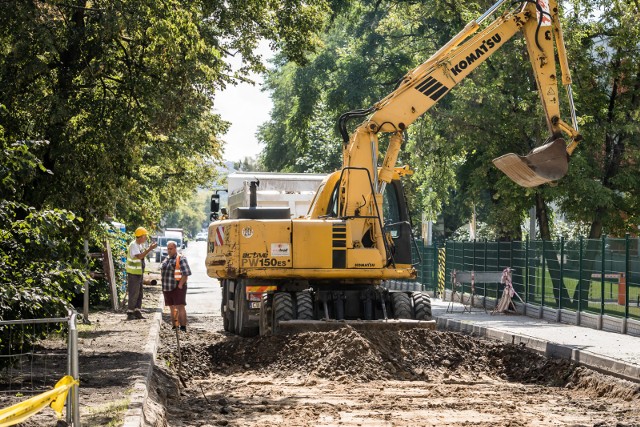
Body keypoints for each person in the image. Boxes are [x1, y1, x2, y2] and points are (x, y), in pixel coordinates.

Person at [125, 227, 158, 321]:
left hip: (138, 273)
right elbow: (139, 256)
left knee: (139, 293)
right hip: (133, 273)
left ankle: (137, 311)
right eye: (145, 236)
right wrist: (150, 249)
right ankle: (130, 312)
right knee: (134, 293)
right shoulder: (134, 245)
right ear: (141, 236)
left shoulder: (139, 245)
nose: (146, 238)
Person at [161, 240, 192, 332]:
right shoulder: (166, 259)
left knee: (180, 306)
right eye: (168, 248)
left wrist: (180, 285)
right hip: (167, 288)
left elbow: (186, 273)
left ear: (175, 248)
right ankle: (175, 326)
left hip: (177, 287)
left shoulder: (180, 258)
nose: (169, 250)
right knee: (172, 307)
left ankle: (183, 327)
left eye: (171, 248)